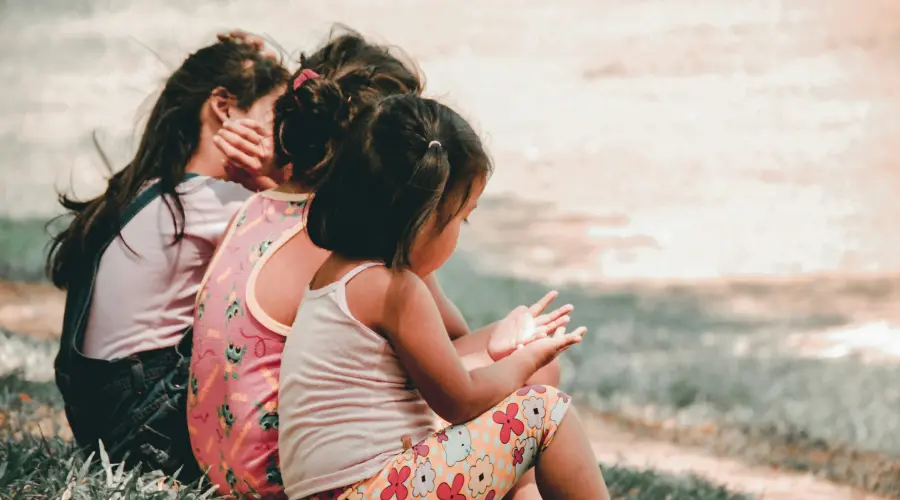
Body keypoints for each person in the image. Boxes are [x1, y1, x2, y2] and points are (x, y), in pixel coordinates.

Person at [190, 27, 572, 499]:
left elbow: (438, 347)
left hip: (234, 463)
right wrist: (519, 356)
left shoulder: (275, 211)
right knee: (539, 398)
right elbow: (452, 378)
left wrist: (503, 340)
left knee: (523, 385)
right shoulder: (367, 260)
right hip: (293, 477)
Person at [278, 93, 611, 499]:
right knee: (545, 411)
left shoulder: (337, 274)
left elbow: (436, 370)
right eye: (462, 217)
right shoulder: (395, 290)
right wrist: (526, 360)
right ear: (420, 218)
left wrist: (497, 343)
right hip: (373, 490)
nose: (460, 231)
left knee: (521, 404)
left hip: (352, 489)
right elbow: (460, 400)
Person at [45, 32, 290, 480]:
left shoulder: (150, 190)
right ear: (223, 107)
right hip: (147, 434)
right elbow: (316, 248)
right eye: (275, 116)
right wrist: (273, 181)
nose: (281, 137)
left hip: (105, 424)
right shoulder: (216, 202)